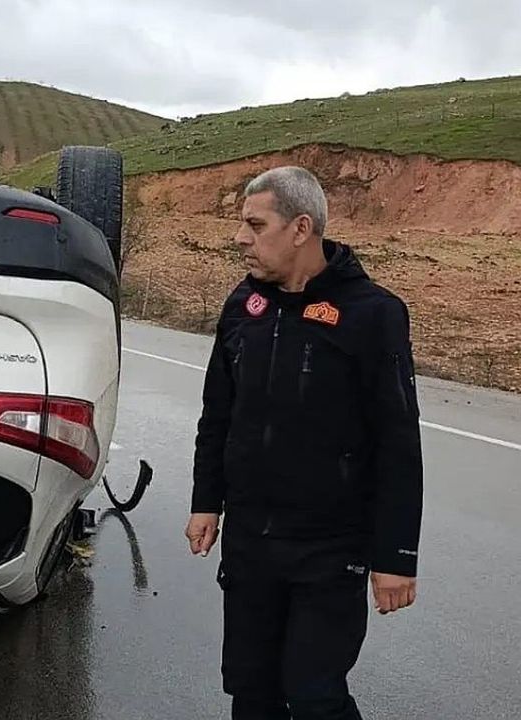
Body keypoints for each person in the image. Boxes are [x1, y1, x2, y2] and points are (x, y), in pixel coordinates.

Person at [186, 166, 423, 720]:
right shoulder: (243, 307)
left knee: (315, 694)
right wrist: (206, 501)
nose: (240, 238)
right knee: (251, 690)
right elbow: (218, 414)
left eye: (255, 225)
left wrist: (396, 556)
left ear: (300, 228)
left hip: (330, 547)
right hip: (251, 542)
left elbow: (397, 442)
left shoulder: (373, 314)